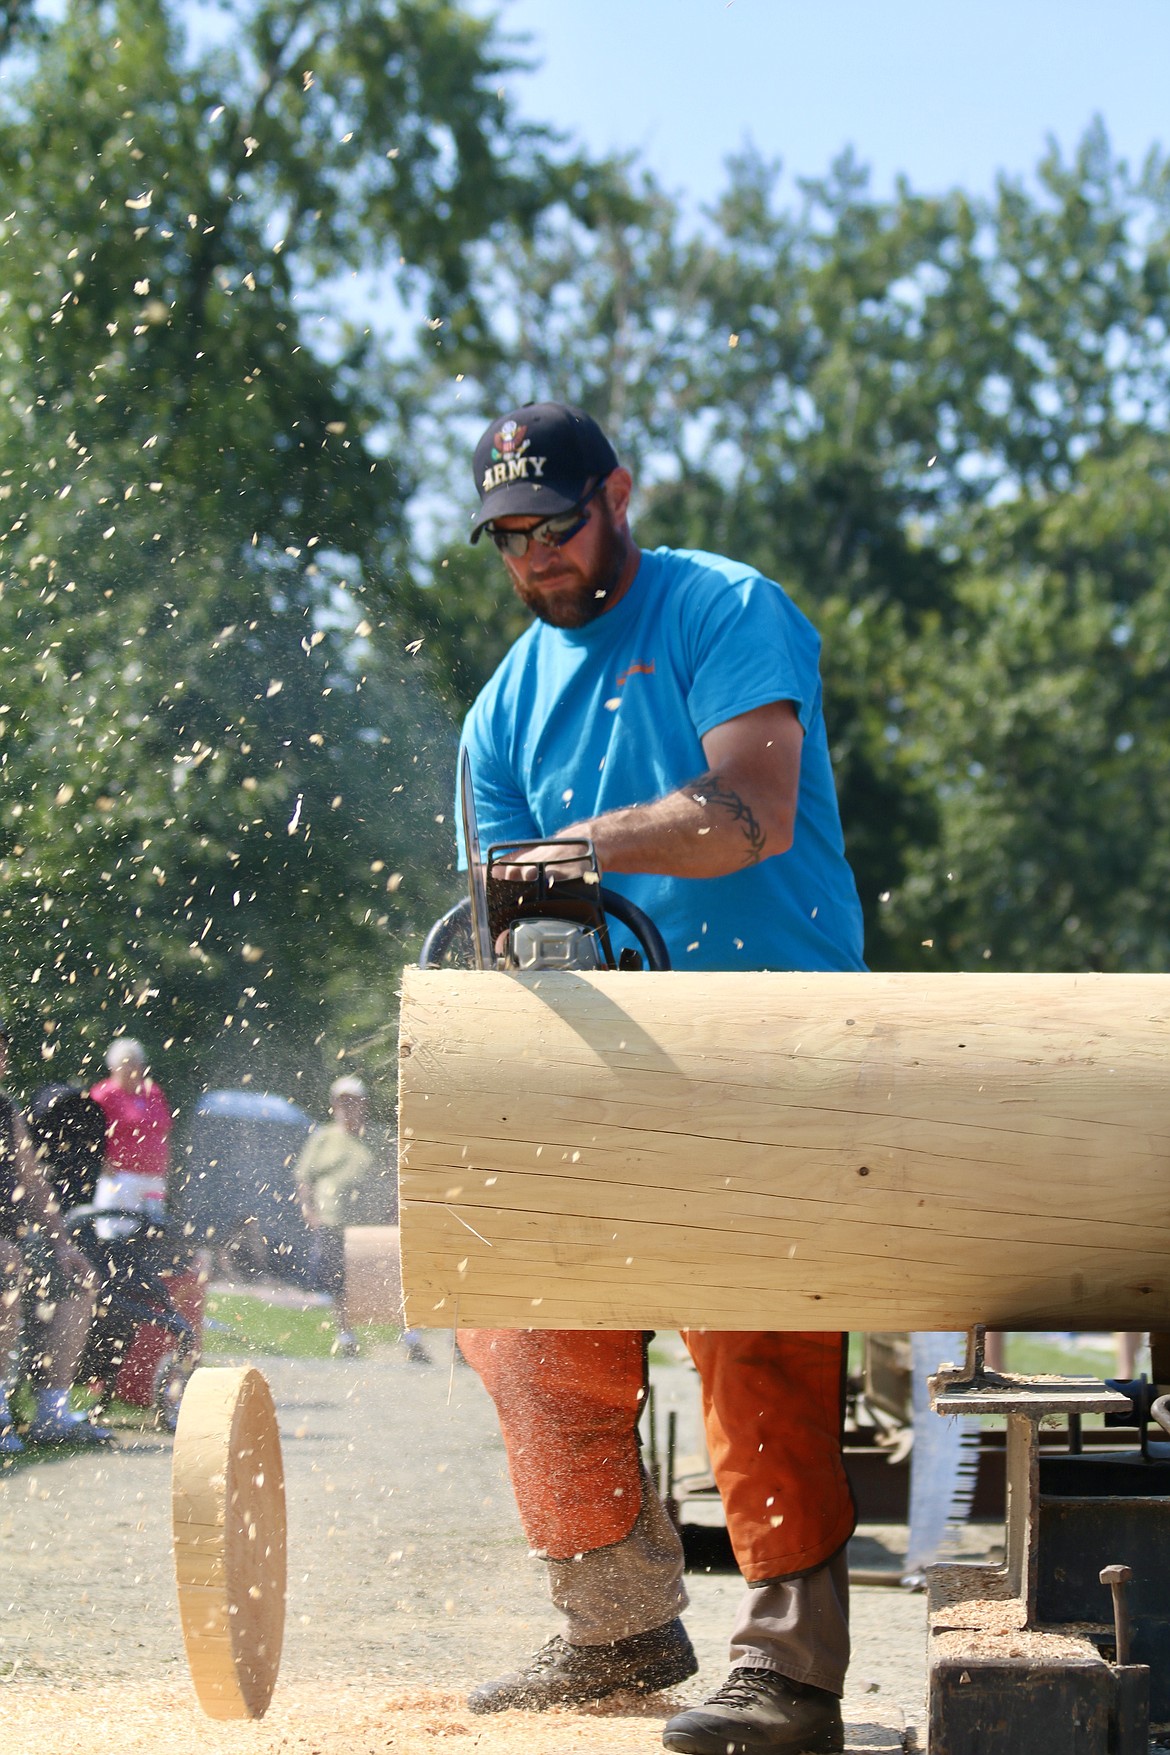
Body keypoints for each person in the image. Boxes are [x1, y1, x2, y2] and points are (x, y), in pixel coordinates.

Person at [453, 401, 866, 1755]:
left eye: (555, 525)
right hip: (606, 1061)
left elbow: (753, 803)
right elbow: (512, 933)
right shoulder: (498, 714)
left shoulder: (724, 608)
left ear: (614, 495)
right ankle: (617, 1619)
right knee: (519, 1310)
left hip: (772, 1038)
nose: (535, 558)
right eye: (508, 538)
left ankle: (789, 1667)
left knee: (752, 1310)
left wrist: (577, 845)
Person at [0, 1021, 114, 1450]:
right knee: (7, 1262)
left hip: (13, 1238)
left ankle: (53, 1411)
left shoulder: (6, 1112)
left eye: (2, 1052)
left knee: (79, 1277)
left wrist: (63, 1243)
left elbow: (33, 1184)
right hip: (4, 1248)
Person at [295, 1076, 429, 1363]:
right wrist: (308, 1210)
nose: (347, 1107)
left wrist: (398, 1209)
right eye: (342, 1102)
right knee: (339, 1282)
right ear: (333, 1105)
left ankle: (410, 1339)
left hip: (375, 1224)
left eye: (353, 1101)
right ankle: (347, 1337)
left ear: (363, 1104)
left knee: (393, 1279)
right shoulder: (323, 1137)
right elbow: (305, 1177)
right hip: (334, 1222)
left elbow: (399, 1175)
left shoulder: (380, 1137)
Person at [89, 1037, 173, 1237]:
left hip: (153, 1177)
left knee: (153, 1235)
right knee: (116, 1235)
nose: (133, 1070)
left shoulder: (152, 1092)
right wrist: (103, 1164)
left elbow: (164, 1130)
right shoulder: (103, 1094)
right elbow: (90, 1134)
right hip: (120, 1177)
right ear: (114, 1068)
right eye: (127, 1065)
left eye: (137, 1064)